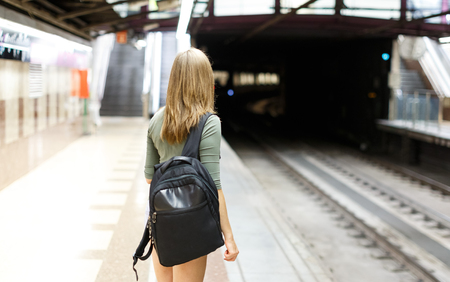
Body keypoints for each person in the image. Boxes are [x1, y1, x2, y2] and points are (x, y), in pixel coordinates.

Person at [144, 48, 239, 282]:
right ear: (205, 80)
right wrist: (229, 236)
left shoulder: (157, 119)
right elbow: (214, 186)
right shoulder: (209, 123)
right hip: (191, 221)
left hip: (159, 221)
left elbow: (149, 177)